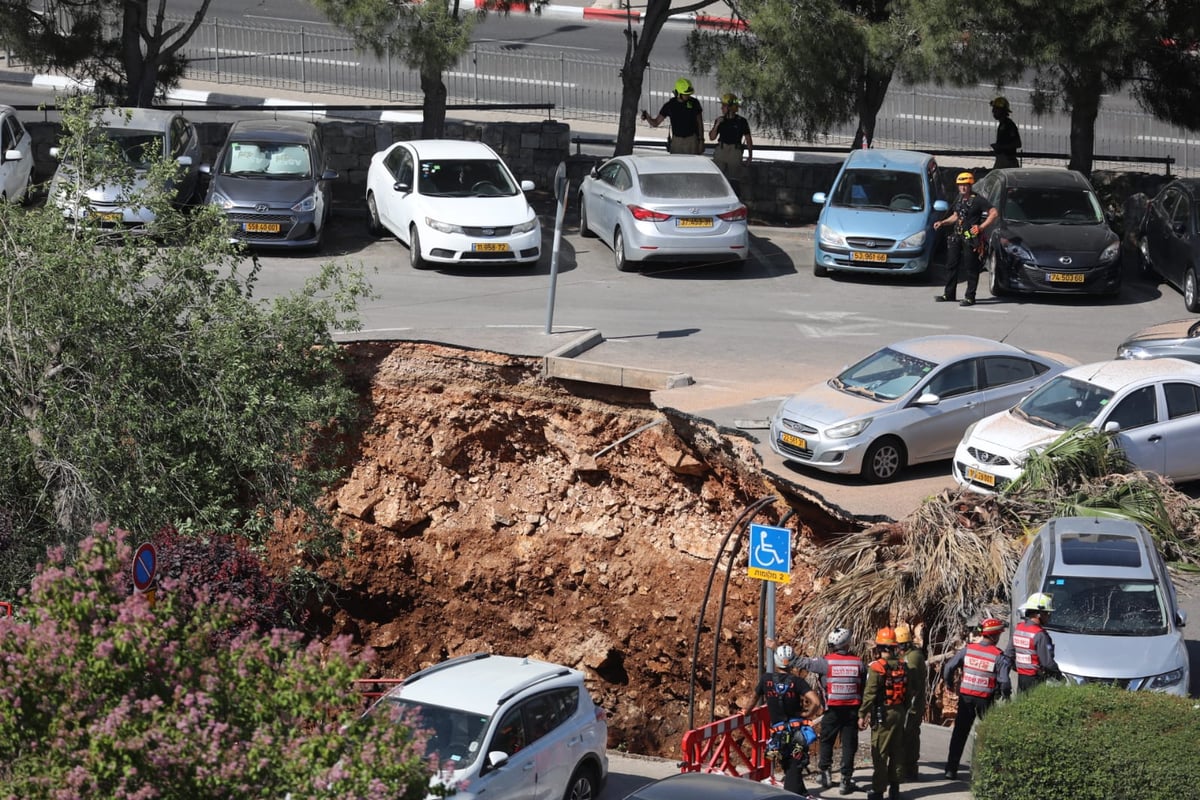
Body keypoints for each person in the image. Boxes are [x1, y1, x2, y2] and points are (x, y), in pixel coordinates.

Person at [789, 627, 865, 796]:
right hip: (852, 711)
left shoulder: (825, 662)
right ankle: (846, 779)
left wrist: (783, 652)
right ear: (847, 644)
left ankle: (825, 775)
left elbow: (801, 662)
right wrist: (863, 713)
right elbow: (864, 689)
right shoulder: (858, 663)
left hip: (832, 711)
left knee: (827, 741)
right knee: (849, 744)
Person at [941, 617, 1012, 781]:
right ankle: (978, 772)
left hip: (966, 698)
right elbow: (1005, 682)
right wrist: (1005, 695)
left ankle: (951, 770)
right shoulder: (998, 656)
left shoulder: (969, 650)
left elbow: (949, 667)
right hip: (985, 701)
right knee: (984, 734)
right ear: (995, 636)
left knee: (959, 734)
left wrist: (949, 683)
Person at [753, 645, 824, 797]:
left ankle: (799, 793)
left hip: (778, 735)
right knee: (795, 763)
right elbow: (816, 702)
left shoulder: (766, 680)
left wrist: (745, 712)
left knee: (787, 763)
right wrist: (807, 714)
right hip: (796, 732)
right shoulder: (797, 682)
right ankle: (793, 794)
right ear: (792, 662)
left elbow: (754, 698)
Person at [932, 172, 998, 307]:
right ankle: (949, 294)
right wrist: (943, 222)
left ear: (970, 185)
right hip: (957, 236)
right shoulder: (959, 199)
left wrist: (981, 227)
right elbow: (956, 216)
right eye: (960, 185)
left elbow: (994, 213)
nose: (962, 188)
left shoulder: (978, 200)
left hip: (970, 237)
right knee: (951, 265)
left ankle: (970, 297)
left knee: (971, 267)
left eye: (965, 185)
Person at [857, 628, 908, 800]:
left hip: (883, 715)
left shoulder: (877, 667)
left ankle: (878, 791)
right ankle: (895, 788)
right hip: (899, 711)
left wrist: (862, 714)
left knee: (880, 752)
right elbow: (911, 690)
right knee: (897, 751)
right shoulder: (903, 664)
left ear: (879, 647)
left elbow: (870, 694)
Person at [1005, 592, 1060, 691]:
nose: (1049, 616)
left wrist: (1017, 667)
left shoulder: (1019, 629)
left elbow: (1009, 653)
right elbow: (1047, 663)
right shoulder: (1040, 634)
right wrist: (1059, 676)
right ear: (1039, 614)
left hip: (1021, 678)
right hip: (1035, 679)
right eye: (1047, 613)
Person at [893, 624, 926, 782]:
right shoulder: (912, 654)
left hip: (912, 705)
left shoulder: (912, 657)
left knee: (908, 736)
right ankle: (909, 769)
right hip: (910, 703)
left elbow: (910, 681)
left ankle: (908, 769)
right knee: (909, 735)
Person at [641, 77, 705, 155]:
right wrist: (647, 117)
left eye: (689, 94)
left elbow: (700, 122)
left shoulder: (694, 103)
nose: (688, 96)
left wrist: (701, 140)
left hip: (692, 140)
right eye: (686, 94)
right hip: (677, 142)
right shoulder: (670, 105)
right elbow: (656, 123)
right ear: (679, 94)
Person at [709, 92, 753, 194]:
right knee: (717, 178)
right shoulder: (720, 120)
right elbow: (712, 137)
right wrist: (717, 125)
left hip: (735, 151)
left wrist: (750, 156)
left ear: (730, 107)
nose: (721, 108)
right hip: (721, 150)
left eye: (724, 106)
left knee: (734, 181)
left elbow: (748, 138)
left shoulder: (741, 121)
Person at [989, 96, 1022, 169]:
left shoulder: (1009, 125)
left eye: (995, 109)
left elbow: (1018, 143)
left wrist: (1000, 147)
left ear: (1002, 111)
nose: (993, 111)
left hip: (1008, 162)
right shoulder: (1002, 124)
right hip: (1002, 160)